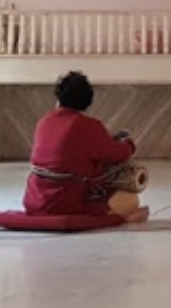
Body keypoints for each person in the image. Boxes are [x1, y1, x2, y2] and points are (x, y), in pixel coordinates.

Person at [22, 71, 148, 228]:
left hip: (35, 201)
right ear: (87, 101)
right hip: (68, 203)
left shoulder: (44, 122)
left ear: (59, 96)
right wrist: (128, 143)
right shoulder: (87, 125)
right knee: (130, 199)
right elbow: (118, 154)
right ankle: (122, 217)